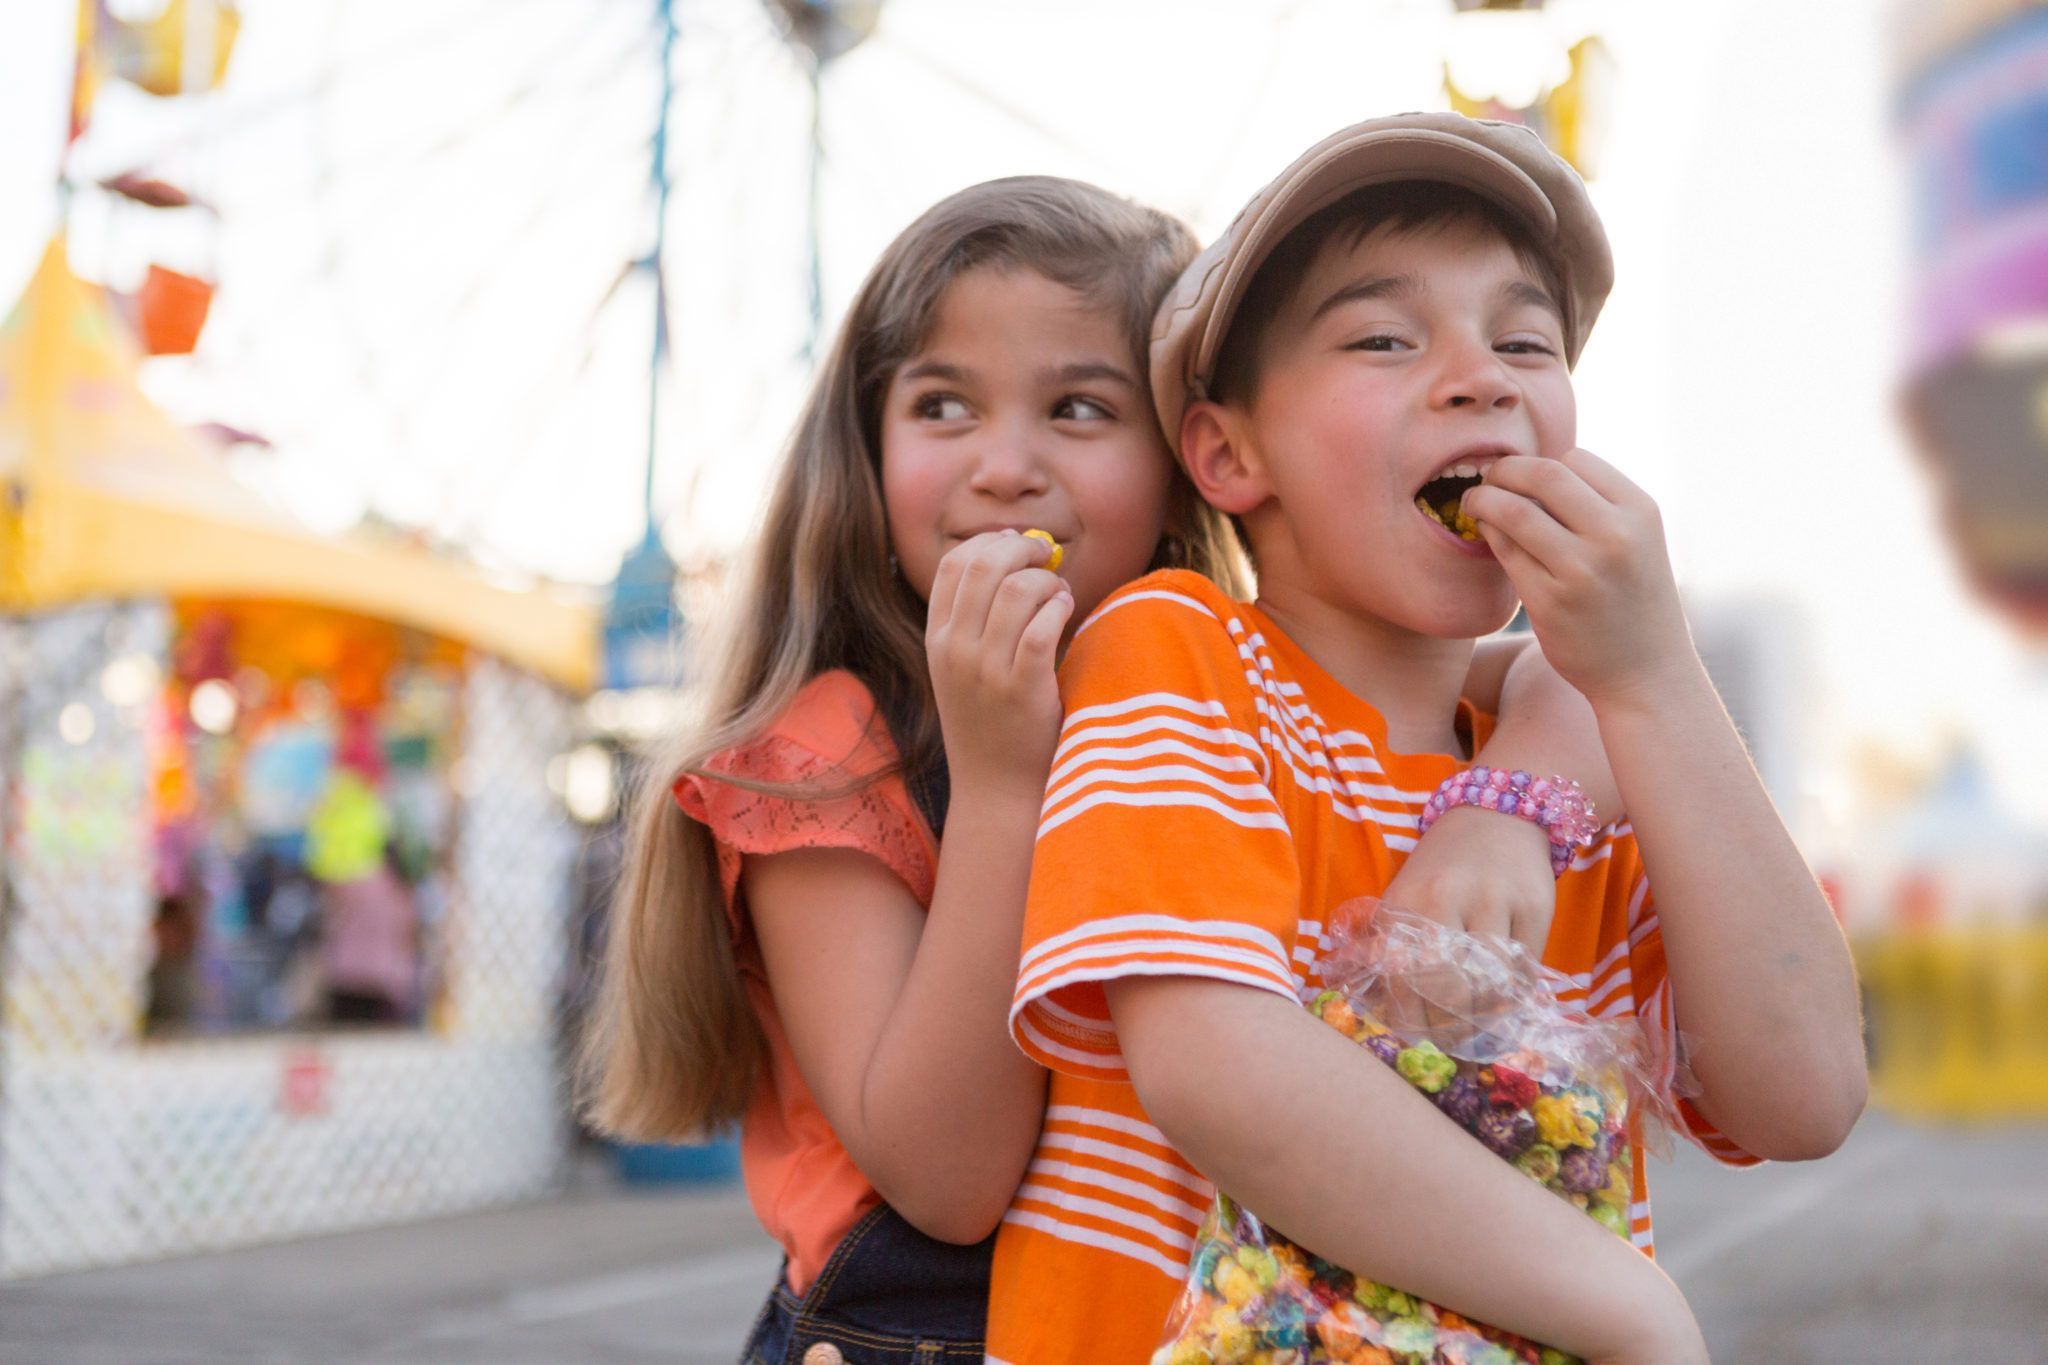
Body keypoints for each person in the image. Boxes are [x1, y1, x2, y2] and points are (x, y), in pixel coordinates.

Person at [580, 173, 1627, 1364]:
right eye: (941, 407)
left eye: (1078, 409)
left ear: (1193, 461)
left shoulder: (1207, 682)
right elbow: (948, 1180)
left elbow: (1543, 679)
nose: (1006, 466)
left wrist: (1507, 796)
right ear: (864, 457)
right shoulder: (820, 753)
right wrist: (999, 783)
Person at [985, 114, 1869, 1365]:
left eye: (1524, 341)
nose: (1482, 376)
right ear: (1227, 453)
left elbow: (1805, 1093)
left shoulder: (1590, 776)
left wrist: (1653, 677)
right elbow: (1213, 1064)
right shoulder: (1175, 649)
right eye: (1383, 339)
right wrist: (1622, 1307)